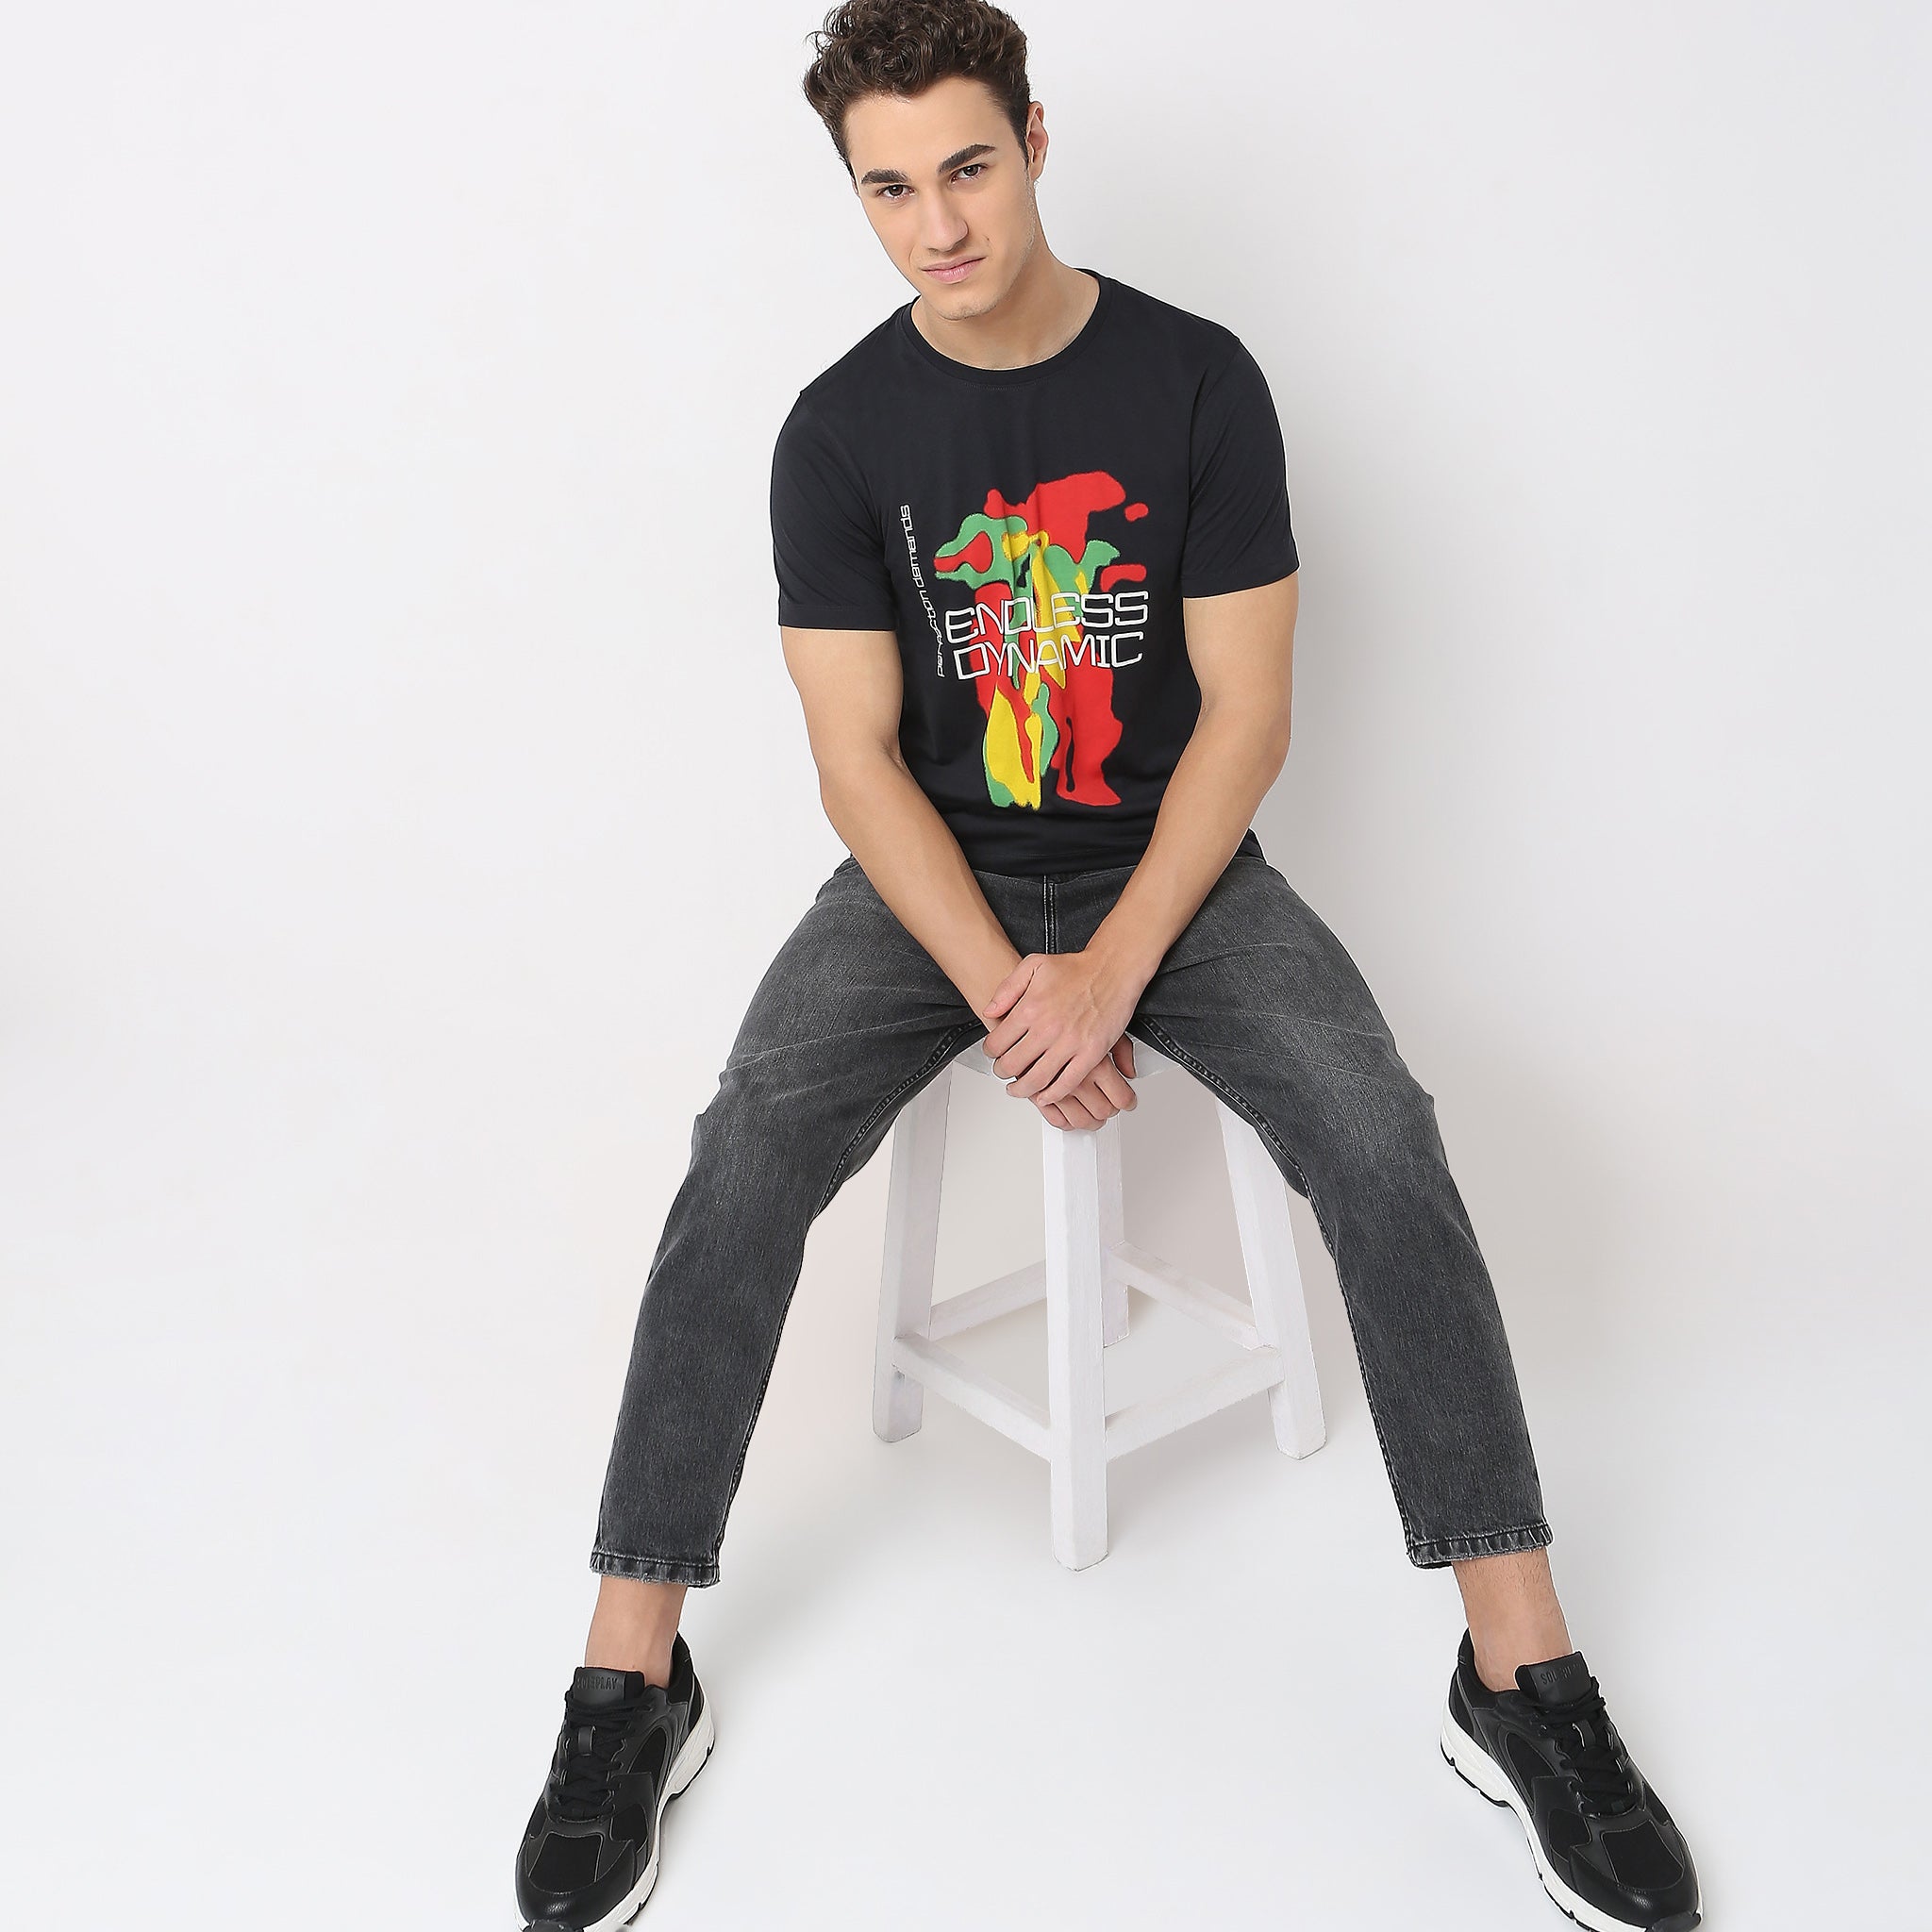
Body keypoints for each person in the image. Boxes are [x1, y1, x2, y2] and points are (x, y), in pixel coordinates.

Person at [512, 5, 1704, 1928]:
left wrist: (1112, 964)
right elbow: (854, 763)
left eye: (966, 168)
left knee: (1382, 1137)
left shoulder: (1196, 381)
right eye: (887, 189)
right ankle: (628, 1677)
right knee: (741, 1156)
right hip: (936, 883)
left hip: (1180, 870)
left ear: (1037, 142)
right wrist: (1010, 981)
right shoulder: (836, 432)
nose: (935, 226)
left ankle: (1521, 1671)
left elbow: (1246, 717)